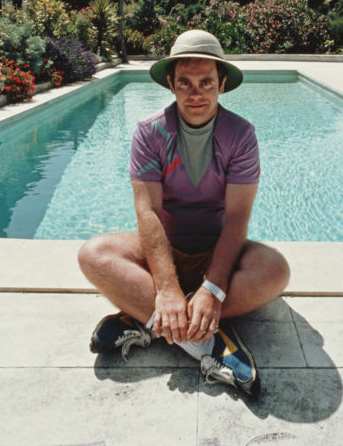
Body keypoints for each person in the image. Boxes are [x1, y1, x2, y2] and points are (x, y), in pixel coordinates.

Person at [78, 29, 290, 398]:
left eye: (206, 82)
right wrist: (166, 287)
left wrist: (213, 287)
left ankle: (147, 319)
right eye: (185, 83)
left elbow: (238, 216)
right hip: (164, 248)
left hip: (216, 248)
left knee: (275, 271)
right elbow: (148, 211)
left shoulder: (241, 134)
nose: (196, 93)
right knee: (94, 255)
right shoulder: (150, 132)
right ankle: (210, 344)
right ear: (171, 86)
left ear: (221, 84)